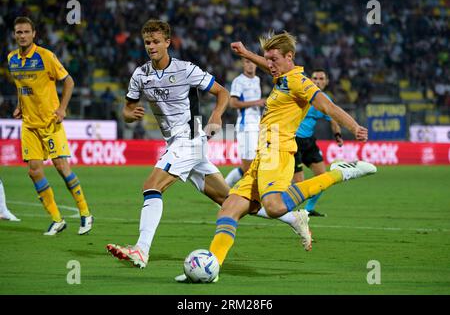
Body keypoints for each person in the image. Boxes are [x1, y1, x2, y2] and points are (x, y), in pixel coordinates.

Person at [106, 20, 310, 270]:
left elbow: (222, 92)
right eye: (148, 42)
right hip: (175, 142)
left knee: (152, 186)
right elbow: (126, 109)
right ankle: (293, 218)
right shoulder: (140, 75)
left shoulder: (186, 69)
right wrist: (130, 114)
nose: (151, 47)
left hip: (190, 137)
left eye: (156, 41)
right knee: (229, 199)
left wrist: (216, 116)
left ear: (168, 42)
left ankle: (141, 249)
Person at [176, 32, 377, 282]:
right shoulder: (281, 76)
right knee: (228, 208)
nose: (268, 64)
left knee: (274, 207)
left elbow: (329, 107)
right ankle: (212, 266)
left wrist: (354, 127)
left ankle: (340, 173)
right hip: (263, 154)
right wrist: (248, 54)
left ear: (289, 57)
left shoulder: (300, 83)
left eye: (273, 59)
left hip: (279, 151)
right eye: (267, 59)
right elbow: (267, 64)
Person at [8, 16, 93, 235]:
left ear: (34, 34)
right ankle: (57, 219)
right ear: (14, 34)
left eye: (26, 32)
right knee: (34, 171)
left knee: (62, 168)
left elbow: (69, 81)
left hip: (50, 122)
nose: (23, 35)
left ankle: (85, 212)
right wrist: (19, 105)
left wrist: (62, 109)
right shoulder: (11, 59)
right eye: (19, 32)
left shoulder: (46, 56)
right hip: (29, 124)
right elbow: (22, 86)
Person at [292, 69, 344, 217]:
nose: (318, 81)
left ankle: (308, 209)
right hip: (293, 141)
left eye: (321, 79)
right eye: (315, 78)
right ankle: (283, 208)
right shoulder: (302, 94)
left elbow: (333, 120)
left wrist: (338, 136)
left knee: (323, 177)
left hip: (309, 142)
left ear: (326, 82)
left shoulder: (326, 101)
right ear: (310, 80)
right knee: (299, 182)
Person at [224, 58, 265, 187]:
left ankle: (225, 187)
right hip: (245, 126)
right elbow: (232, 103)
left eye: (253, 62)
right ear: (243, 64)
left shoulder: (257, 80)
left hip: (257, 125)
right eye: (247, 62)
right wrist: (256, 102)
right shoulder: (238, 81)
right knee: (249, 165)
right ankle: (246, 197)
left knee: (253, 164)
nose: (250, 65)